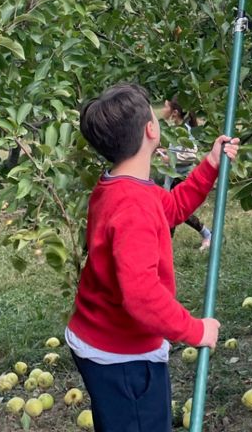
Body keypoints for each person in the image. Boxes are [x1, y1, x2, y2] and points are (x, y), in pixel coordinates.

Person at [66, 83, 240, 431]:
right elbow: (142, 296)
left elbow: (171, 208)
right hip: (123, 359)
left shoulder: (118, 186)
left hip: (101, 338)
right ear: (151, 129)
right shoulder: (133, 208)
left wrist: (209, 165)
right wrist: (196, 330)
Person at [156, 97, 213, 250]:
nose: (162, 109)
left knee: (174, 210)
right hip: (172, 176)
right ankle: (165, 245)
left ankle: (207, 234)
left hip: (180, 177)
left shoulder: (185, 131)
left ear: (174, 112)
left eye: (165, 106)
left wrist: (170, 157)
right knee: (172, 211)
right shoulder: (174, 130)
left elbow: (192, 154)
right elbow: (175, 150)